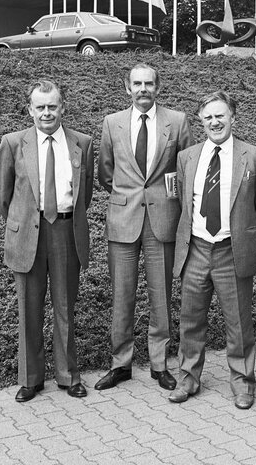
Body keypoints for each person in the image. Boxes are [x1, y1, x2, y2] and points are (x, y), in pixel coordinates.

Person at [169, 91, 256, 409]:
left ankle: (243, 381)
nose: (215, 122)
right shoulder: (187, 157)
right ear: (201, 121)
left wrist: (243, 235)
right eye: (208, 117)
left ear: (233, 118)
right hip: (196, 249)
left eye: (220, 115)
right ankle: (188, 377)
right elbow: (182, 204)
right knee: (190, 319)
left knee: (238, 321)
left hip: (232, 249)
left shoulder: (254, 156)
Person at [0, 79, 93, 402]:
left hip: (65, 232)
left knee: (65, 306)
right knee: (29, 308)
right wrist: (23, 221)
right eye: (40, 107)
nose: (47, 113)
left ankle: (68, 375)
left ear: (62, 107)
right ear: (30, 110)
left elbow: (85, 194)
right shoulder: (12, 143)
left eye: (52, 106)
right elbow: (2, 196)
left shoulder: (82, 143)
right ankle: (30, 379)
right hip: (29, 234)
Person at [96, 63, 194, 392]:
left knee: (160, 296)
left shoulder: (177, 122)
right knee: (122, 296)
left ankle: (159, 363)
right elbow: (106, 174)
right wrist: (129, 196)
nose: (143, 89)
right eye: (137, 83)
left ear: (158, 87)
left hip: (162, 221)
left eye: (148, 83)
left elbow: (185, 171)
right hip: (123, 221)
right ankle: (120, 363)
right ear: (127, 87)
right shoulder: (112, 123)